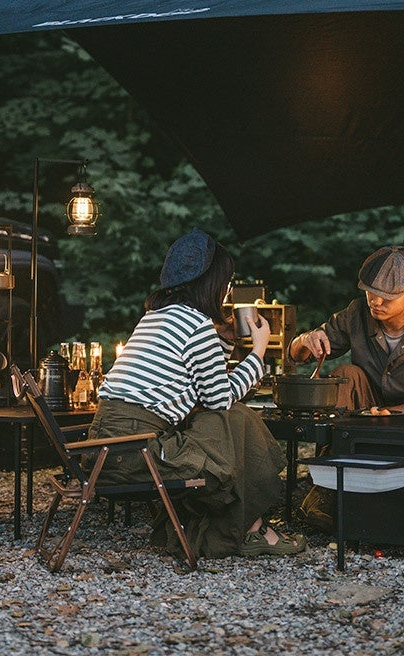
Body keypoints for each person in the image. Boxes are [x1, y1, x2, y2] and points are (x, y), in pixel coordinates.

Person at [86, 227, 306, 559]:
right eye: (228, 284)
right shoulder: (196, 325)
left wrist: (226, 339)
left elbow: (201, 381)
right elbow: (217, 399)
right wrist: (258, 354)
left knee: (230, 426)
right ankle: (253, 531)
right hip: (136, 454)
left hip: (105, 448)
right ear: (215, 285)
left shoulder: (157, 317)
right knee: (236, 421)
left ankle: (253, 529)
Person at [289, 245, 404, 415]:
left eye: (387, 297)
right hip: (369, 408)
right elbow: (296, 357)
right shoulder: (356, 314)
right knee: (346, 374)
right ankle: (334, 446)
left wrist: (390, 413)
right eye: (371, 292)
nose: (376, 302)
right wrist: (305, 341)